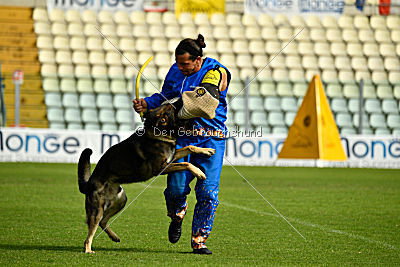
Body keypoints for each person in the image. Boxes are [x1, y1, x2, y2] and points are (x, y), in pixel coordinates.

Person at [133, 34, 230, 255]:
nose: (180, 68)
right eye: (178, 63)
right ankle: (177, 213)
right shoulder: (175, 71)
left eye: (185, 64)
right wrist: (146, 103)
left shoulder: (217, 71)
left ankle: (199, 240)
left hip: (211, 138)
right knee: (175, 189)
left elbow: (203, 103)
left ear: (198, 59)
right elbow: (165, 96)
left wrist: (165, 111)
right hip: (181, 138)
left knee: (208, 193)